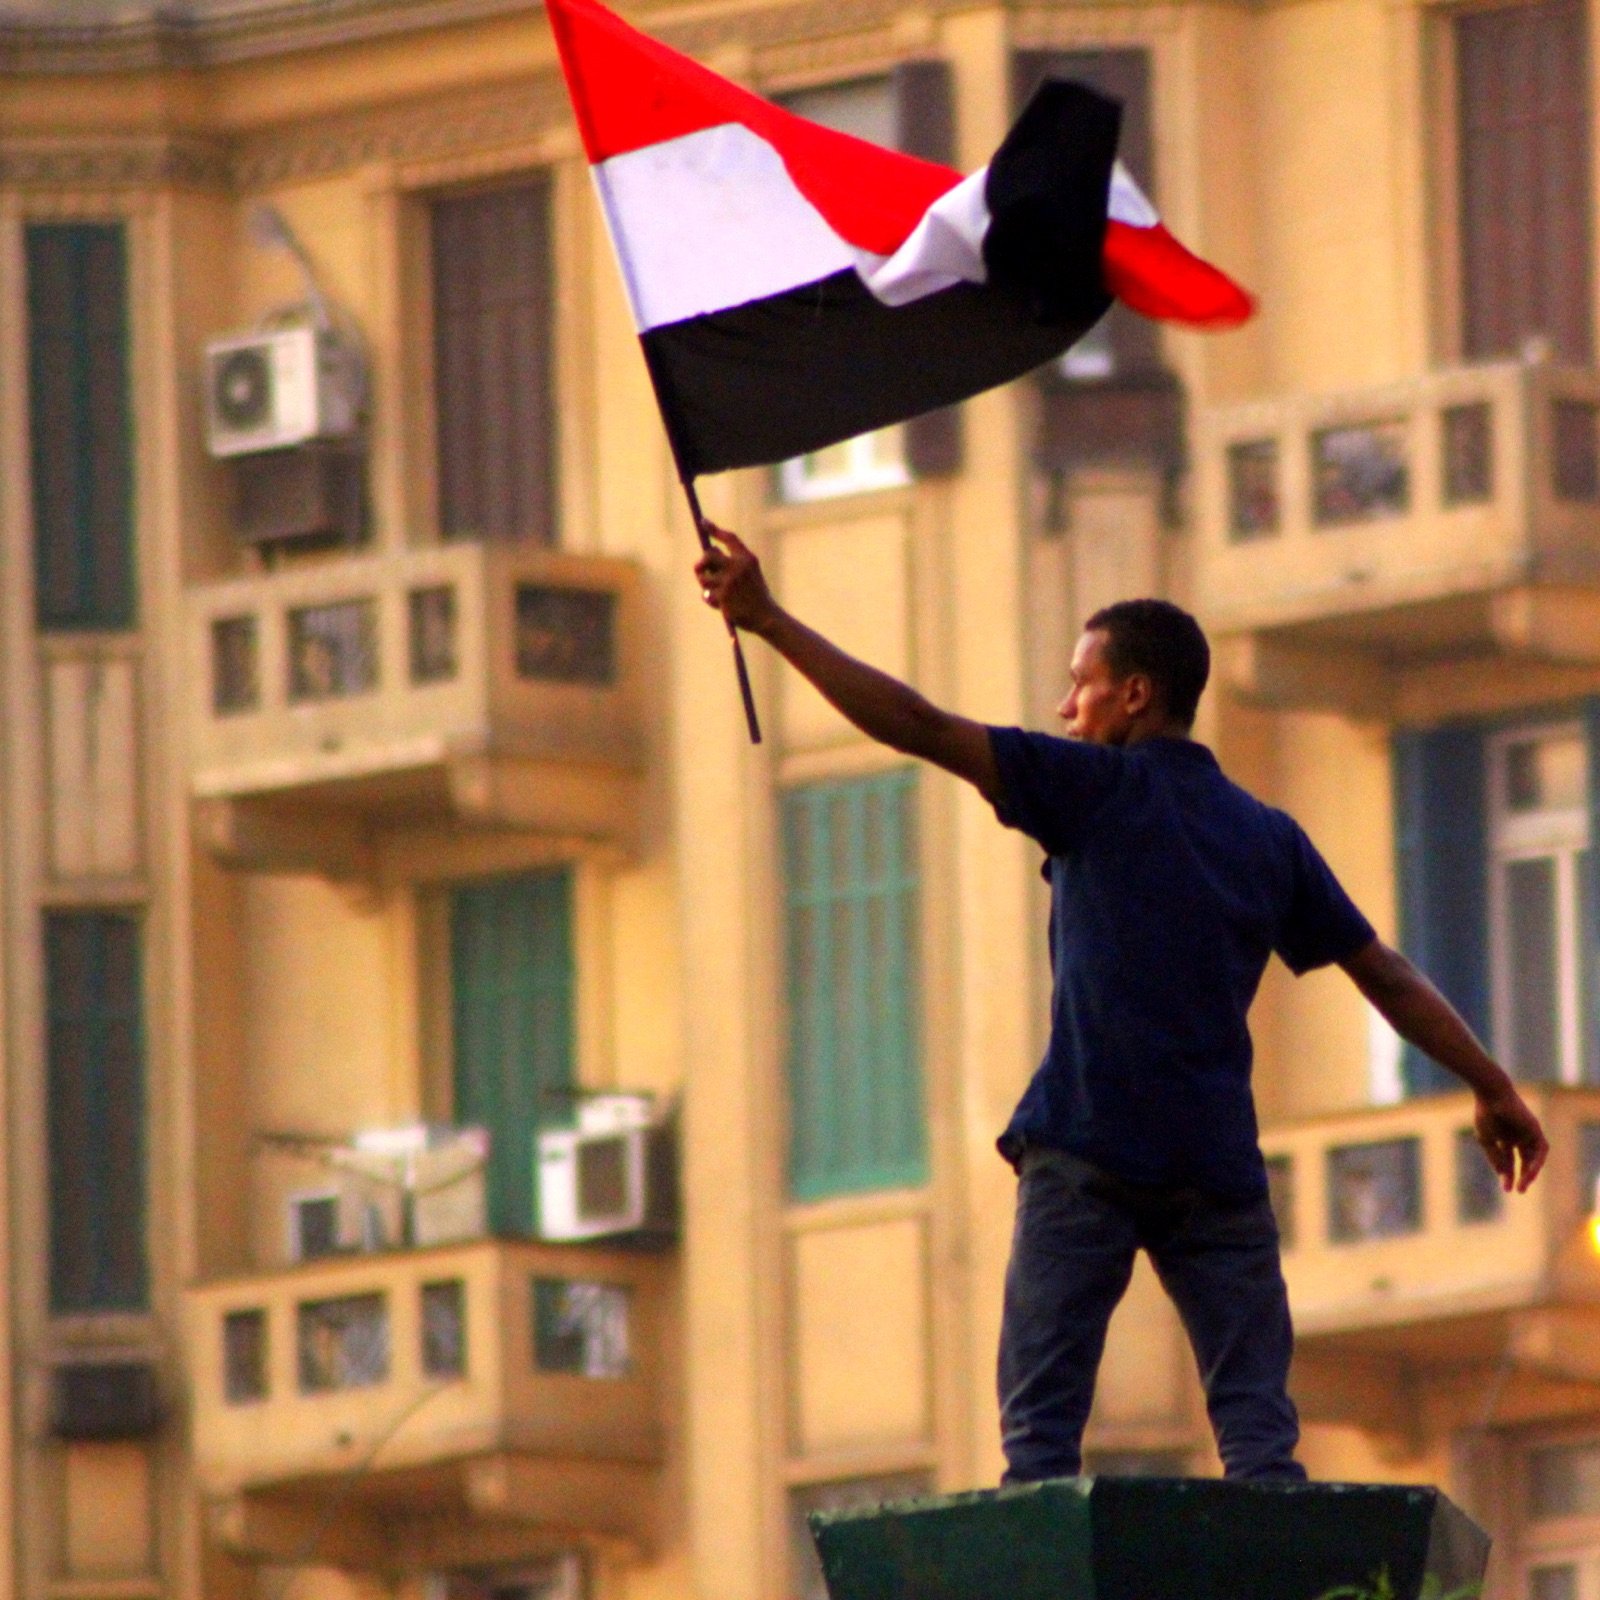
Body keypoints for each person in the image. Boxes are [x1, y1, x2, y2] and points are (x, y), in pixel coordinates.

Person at [693, 526, 1548, 1484]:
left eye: (1080, 685)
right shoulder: (1268, 837)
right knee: (1261, 1444)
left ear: (1135, 695)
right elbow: (1384, 973)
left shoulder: (1092, 789)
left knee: (1039, 1443)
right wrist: (1491, 1086)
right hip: (1215, 1167)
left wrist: (769, 621)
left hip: (1088, 1146)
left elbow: (918, 724)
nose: (1065, 709)